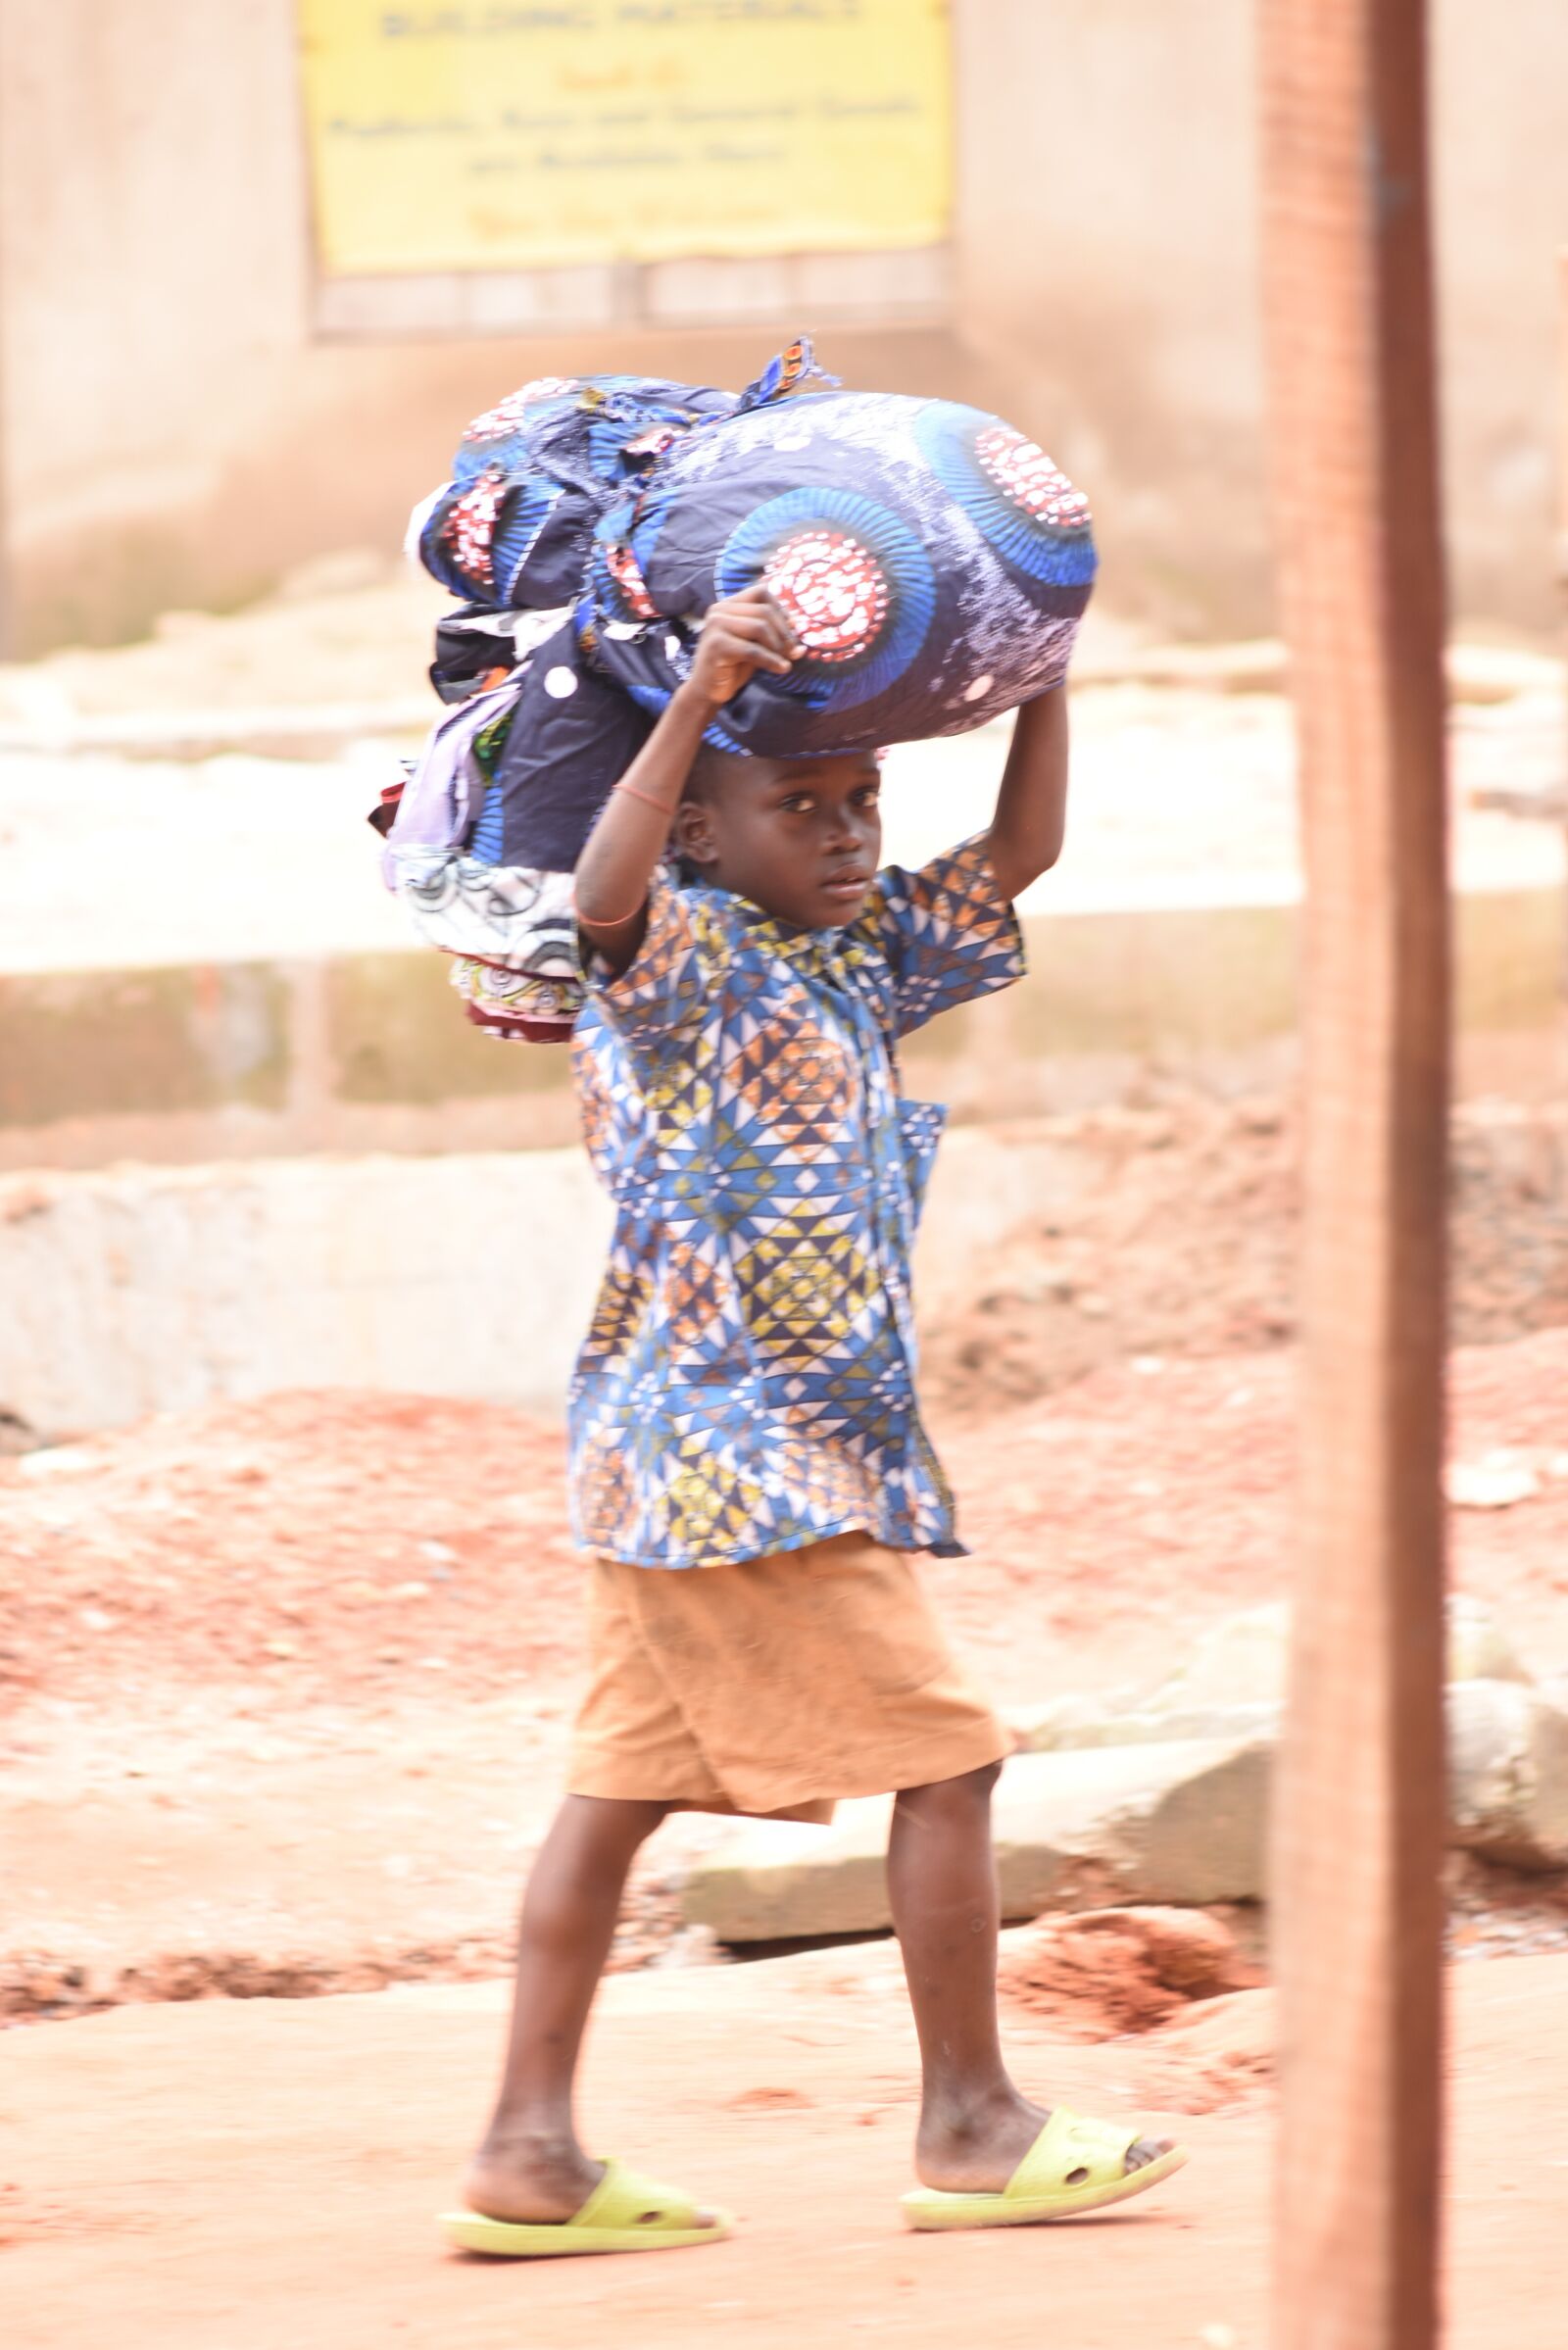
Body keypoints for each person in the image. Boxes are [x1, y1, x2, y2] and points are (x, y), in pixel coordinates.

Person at [442, 585, 1187, 2255]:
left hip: (684, 1454)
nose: (847, 836)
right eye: (803, 808)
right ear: (708, 823)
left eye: (861, 804)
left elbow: (1022, 856)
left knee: (613, 1791)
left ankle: (524, 2149)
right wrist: (702, 689)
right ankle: (974, 2120)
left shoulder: (855, 953)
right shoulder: (678, 959)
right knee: (954, 1755)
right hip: (740, 1455)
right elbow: (603, 892)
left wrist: (1044, 678)